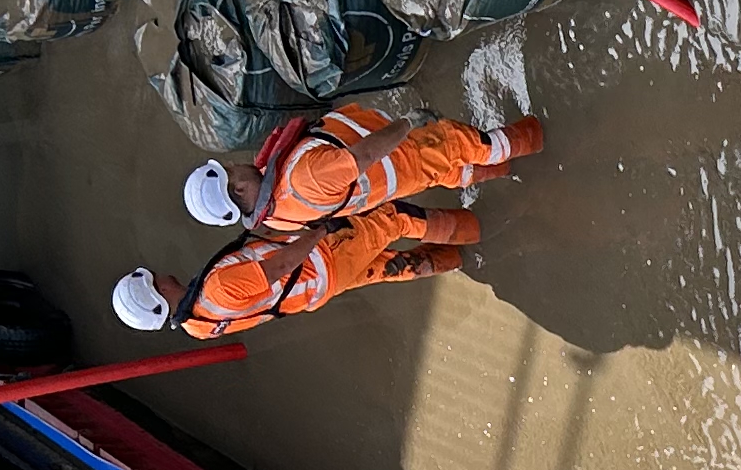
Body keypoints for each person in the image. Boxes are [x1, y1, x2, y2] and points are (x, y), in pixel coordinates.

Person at [113, 203, 486, 340]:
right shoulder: (217, 289)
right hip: (322, 259)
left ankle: (461, 258)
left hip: (320, 288)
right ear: (157, 294)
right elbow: (282, 264)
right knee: (390, 220)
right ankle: (479, 227)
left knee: (390, 265)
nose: (159, 273)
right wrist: (320, 230)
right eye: (153, 279)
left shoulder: (199, 325)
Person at [185, 104, 542, 237]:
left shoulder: (275, 216)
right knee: (472, 144)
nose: (234, 164)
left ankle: (512, 172)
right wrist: (408, 123)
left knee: (456, 172)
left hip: (402, 177)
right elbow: (362, 156)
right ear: (239, 193)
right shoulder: (303, 178)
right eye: (230, 172)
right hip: (408, 155)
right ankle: (541, 136)